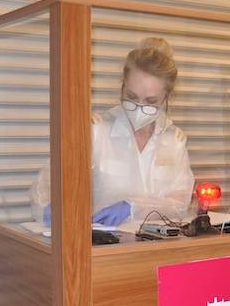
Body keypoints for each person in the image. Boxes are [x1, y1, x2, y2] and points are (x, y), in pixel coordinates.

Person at [30, 37, 195, 227]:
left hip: (156, 249)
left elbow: (179, 204)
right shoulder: (95, 131)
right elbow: (46, 186)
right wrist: (52, 208)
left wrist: (133, 206)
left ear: (166, 98)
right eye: (131, 97)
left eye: (150, 101)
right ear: (122, 87)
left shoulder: (174, 140)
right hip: (100, 246)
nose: (139, 107)